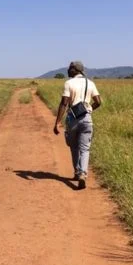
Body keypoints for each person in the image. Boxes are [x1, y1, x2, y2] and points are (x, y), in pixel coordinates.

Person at [53, 61, 102, 189]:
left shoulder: (69, 83)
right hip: (87, 119)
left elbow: (64, 103)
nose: (68, 70)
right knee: (85, 149)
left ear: (76, 70)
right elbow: (98, 101)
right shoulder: (90, 83)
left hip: (72, 119)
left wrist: (57, 122)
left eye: (70, 68)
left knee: (74, 147)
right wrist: (89, 109)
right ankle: (82, 174)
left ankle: (77, 172)